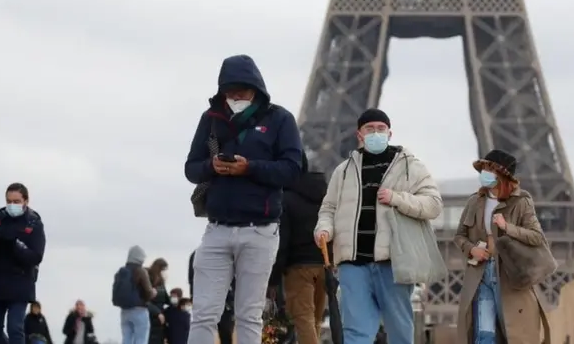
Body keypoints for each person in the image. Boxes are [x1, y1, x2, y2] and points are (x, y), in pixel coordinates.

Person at [184, 54, 302, 344]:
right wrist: (212, 166)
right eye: (230, 90)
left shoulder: (280, 119)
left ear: (256, 88)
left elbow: (292, 169)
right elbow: (191, 168)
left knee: (249, 313)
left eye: (242, 90)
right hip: (217, 228)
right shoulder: (211, 120)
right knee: (203, 313)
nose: (235, 96)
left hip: (259, 228)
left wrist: (249, 167)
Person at [314, 108, 443, 344]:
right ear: (359, 134)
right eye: (370, 129)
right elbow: (329, 208)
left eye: (381, 129)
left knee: (400, 331)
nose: (376, 133)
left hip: (392, 262)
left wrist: (397, 198)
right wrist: (324, 229)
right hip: (353, 264)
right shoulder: (342, 171)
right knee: (354, 332)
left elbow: (434, 205)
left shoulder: (411, 167)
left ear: (390, 133)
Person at [453, 149, 551, 343]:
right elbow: (459, 236)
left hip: (508, 275)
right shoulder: (474, 201)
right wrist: (471, 249)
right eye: (483, 168)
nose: (484, 173)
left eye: (489, 168)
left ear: (502, 173)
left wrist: (508, 227)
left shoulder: (521, 202)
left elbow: (537, 237)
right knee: (484, 334)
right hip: (481, 274)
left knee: (513, 333)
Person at [268, 151, 328, 344]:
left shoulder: (286, 198)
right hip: (324, 264)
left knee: (303, 320)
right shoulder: (325, 196)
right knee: (315, 321)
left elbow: (282, 242)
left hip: (298, 268)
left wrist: (274, 278)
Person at [0, 183, 46, 344]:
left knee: (15, 328)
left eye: (16, 201)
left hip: (20, 283)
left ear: (26, 201)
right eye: (9, 201)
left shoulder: (33, 223)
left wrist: (15, 246)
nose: (12, 205)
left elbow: (36, 256)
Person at [187, 250, 234, 344]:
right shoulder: (197, 254)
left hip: (224, 300)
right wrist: (193, 297)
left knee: (225, 332)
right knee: (204, 331)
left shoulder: (228, 254)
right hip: (205, 300)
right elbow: (192, 279)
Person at [112, 245, 155, 344]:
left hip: (124, 311)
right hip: (139, 310)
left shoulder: (121, 271)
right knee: (141, 339)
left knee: (127, 338)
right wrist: (153, 293)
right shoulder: (140, 271)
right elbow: (148, 292)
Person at [147, 258, 170, 344]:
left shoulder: (161, 282)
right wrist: (157, 312)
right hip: (152, 315)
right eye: (164, 270)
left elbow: (165, 298)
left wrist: (178, 302)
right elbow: (145, 300)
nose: (165, 272)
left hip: (160, 316)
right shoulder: (149, 279)